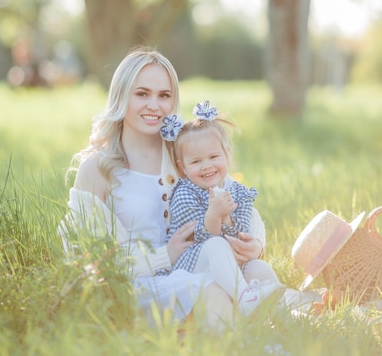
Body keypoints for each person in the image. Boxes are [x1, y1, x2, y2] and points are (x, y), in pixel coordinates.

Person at [58, 46, 269, 330]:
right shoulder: (98, 169)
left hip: (196, 268)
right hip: (141, 288)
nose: (154, 106)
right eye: (142, 94)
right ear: (122, 96)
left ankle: (291, 336)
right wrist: (165, 255)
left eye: (164, 95)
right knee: (214, 289)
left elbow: (237, 200)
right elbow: (90, 260)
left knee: (258, 271)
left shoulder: (183, 155)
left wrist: (256, 243)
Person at [158, 100, 285, 316]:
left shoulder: (238, 191)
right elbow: (201, 238)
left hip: (231, 263)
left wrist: (227, 220)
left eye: (213, 157)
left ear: (226, 153)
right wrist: (214, 214)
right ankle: (245, 299)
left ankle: (281, 319)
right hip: (194, 263)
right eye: (196, 161)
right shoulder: (185, 193)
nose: (206, 165)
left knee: (260, 269)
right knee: (216, 244)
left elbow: (242, 232)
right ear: (183, 166)